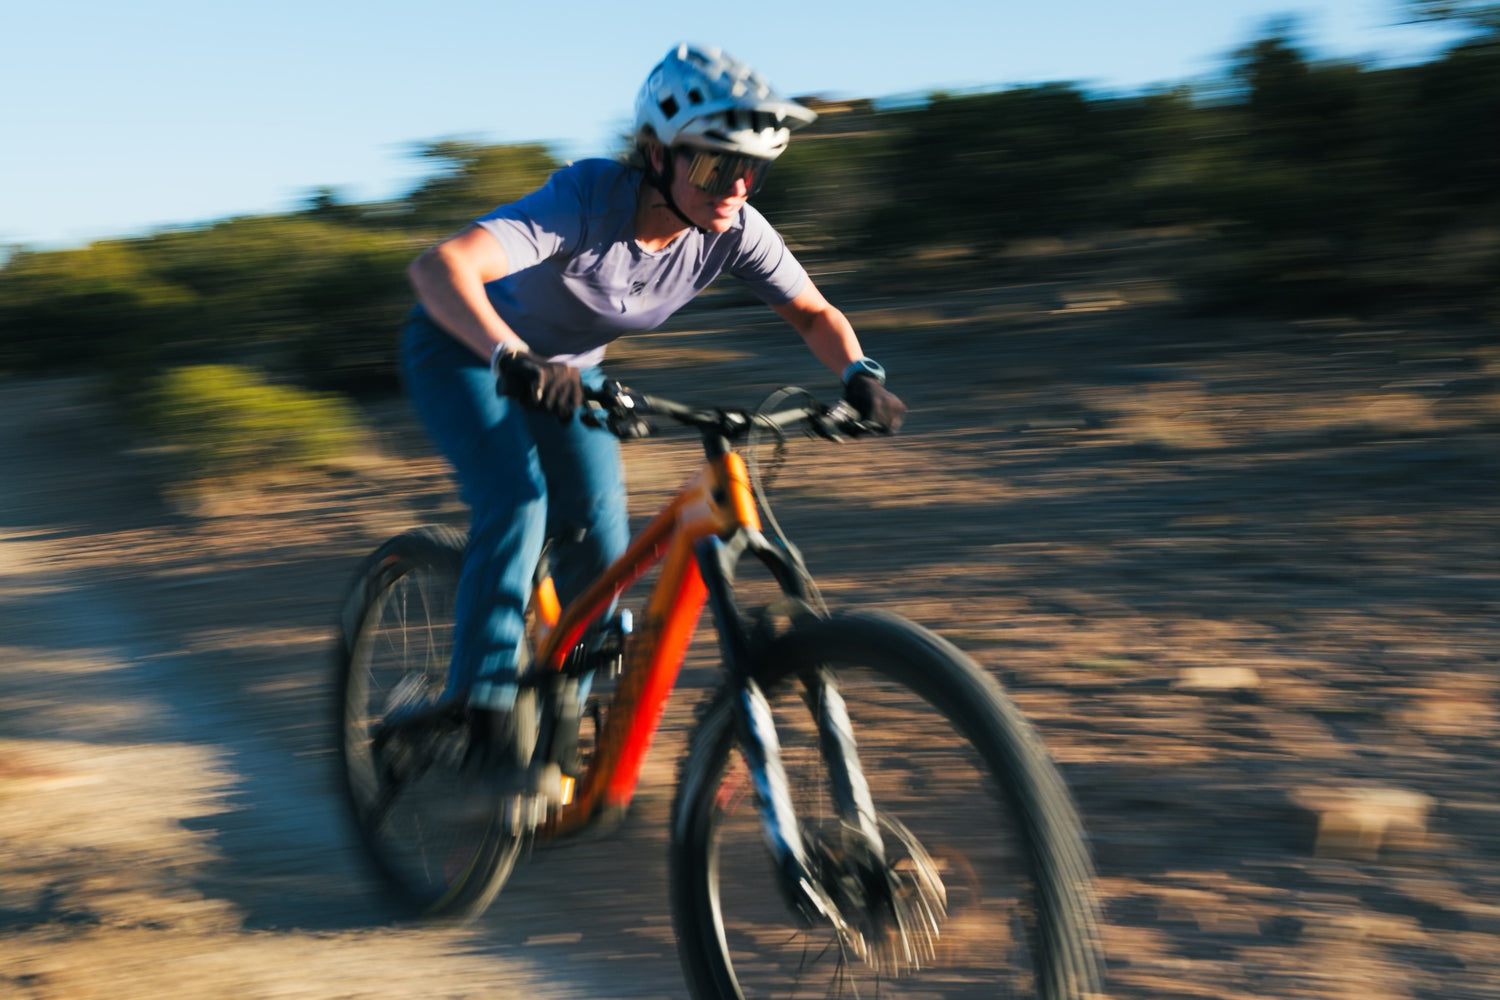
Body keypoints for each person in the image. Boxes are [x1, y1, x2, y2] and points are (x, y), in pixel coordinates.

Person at [400, 42, 906, 784]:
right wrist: (512, 359)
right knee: (518, 500)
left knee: (602, 536)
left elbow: (810, 311)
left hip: (568, 374)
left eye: (750, 169)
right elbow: (438, 268)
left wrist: (860, 373)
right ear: (654, 154)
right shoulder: (584, 202)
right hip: (465, 349)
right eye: (711, 165)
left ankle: (562, 721)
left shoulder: (733, 229)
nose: (733, 187)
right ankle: (482, 721)